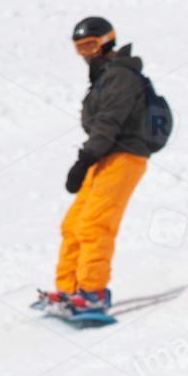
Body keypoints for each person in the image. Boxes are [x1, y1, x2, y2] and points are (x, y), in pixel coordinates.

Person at [37, 16, 150, 316]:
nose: (86, 53)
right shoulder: (104, 77)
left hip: (124, 157)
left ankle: (93, 293)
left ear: (107, 41)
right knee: (73, 224)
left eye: (90, 45)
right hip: (104, 157)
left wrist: (84, 159)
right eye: (80, 48)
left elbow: (107, 123)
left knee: (94, 223)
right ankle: (69, 290)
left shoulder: (120, 76)